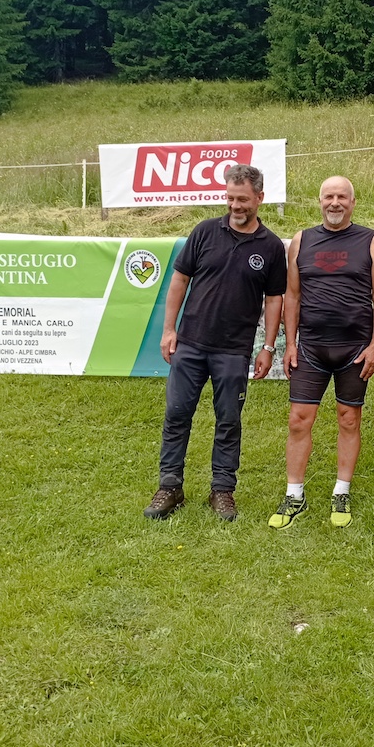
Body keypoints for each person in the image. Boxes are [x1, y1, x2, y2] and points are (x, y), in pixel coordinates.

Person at [143, 164, 287, 522]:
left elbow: (274, 300)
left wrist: (268, 347)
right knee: (177, 415)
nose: (236, 206)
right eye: (230, 198)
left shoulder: (270, 246)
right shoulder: (204, 231)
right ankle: (170, 486)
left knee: (228, 421)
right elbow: (179, 281)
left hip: (234, 351)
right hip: (191, 344)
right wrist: (169, 330)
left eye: (243, 200)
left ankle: (222, 490)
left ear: (259, 198)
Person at [268, 176, 374, 529]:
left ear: (353, 202)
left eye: (342, 197)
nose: (335, 203)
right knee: (298, 420)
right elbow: (292, 295)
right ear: (319, 201)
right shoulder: (301, 241)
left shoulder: (371, 241)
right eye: (329, 196)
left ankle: (341, 491)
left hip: (355, 349)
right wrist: (291, 344)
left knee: (348, 419)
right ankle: (295, 495)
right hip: (311, 348)